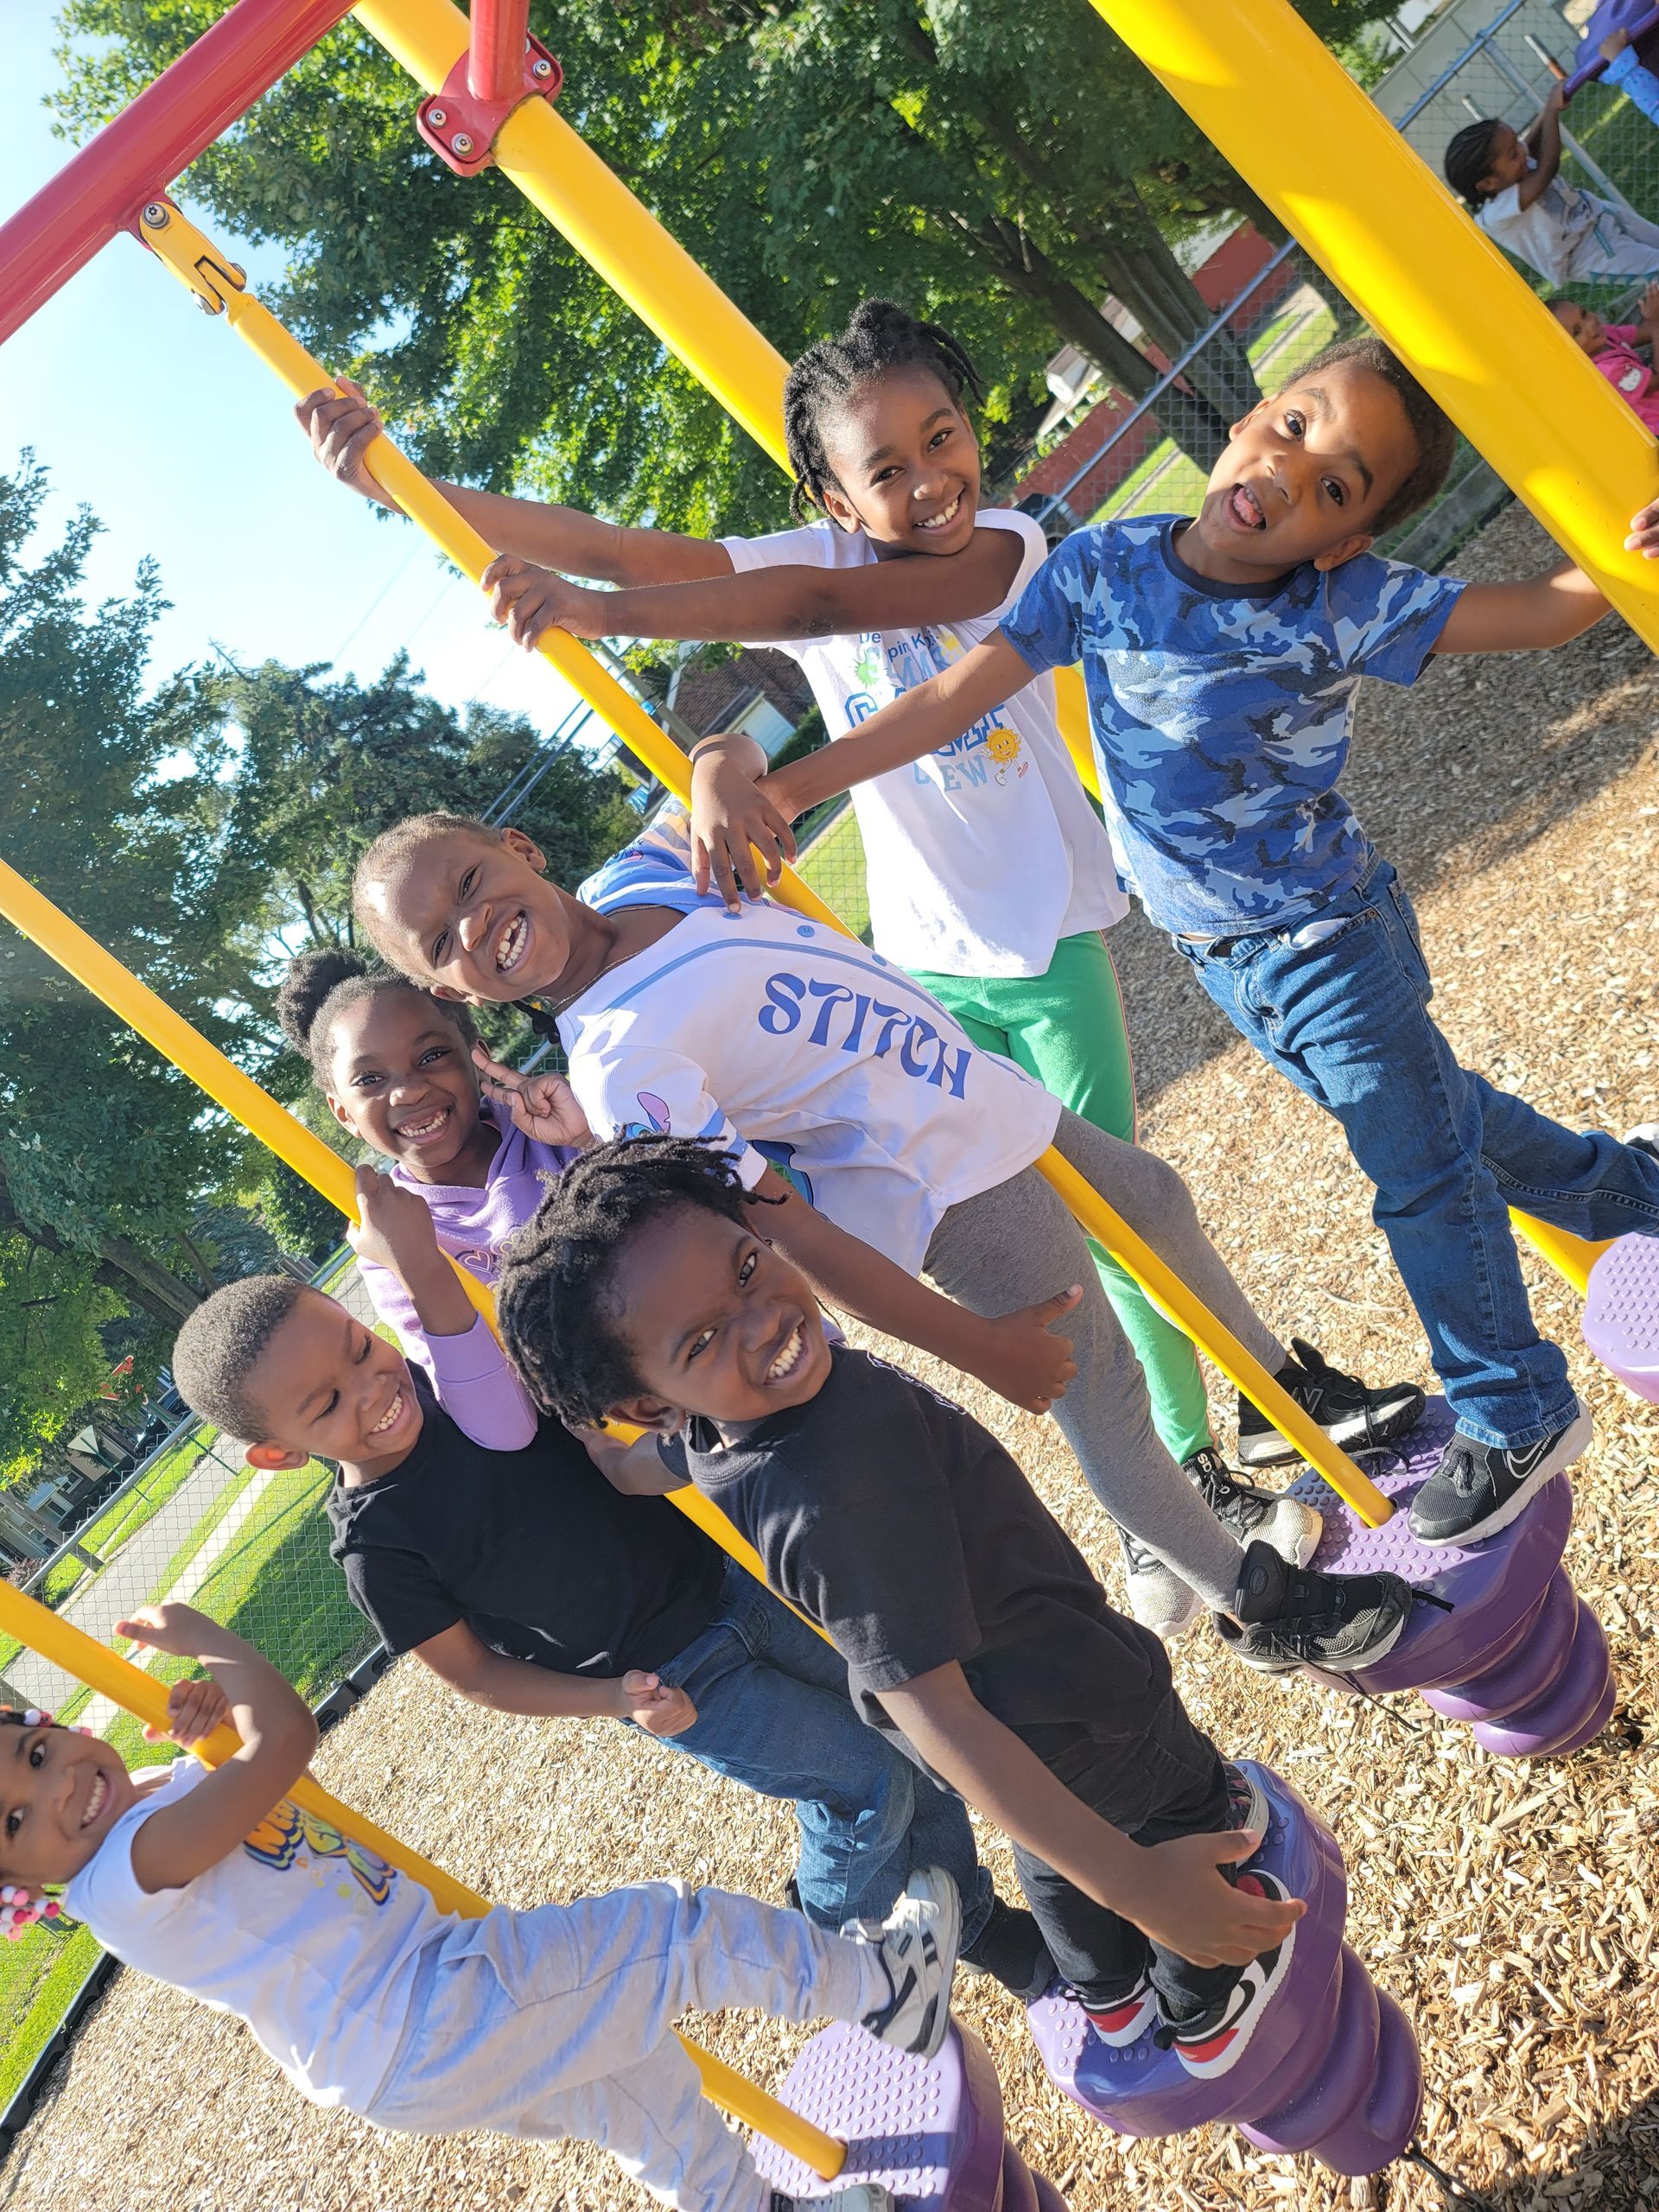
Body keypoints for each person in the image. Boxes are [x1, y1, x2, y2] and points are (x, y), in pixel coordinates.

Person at [293, 299, 1392, 1596]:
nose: (926, 482)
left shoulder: (1006, 549)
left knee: (1123, 1207)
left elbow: (815, 599)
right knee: (1058, 1258)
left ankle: (1228, 1421)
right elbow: (631, 552)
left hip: (1043, 931)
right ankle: (1195, 1484)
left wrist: (645, 668)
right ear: (830, 485)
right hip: (923, 965)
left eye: (942, 441)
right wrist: (396, 482)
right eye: (885, 470)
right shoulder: (801, 561)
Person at [772, 331, 1659, 1553]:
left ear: (1345, 536)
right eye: (1294, 428)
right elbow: (945, 701)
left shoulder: (1343, 604)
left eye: (1338, 486)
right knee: (1450, 1122)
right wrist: (785, 790)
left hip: (1333, 946)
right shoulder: (1105, 567)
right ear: (1250, 418)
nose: (1294, 475)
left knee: (1420, 1176)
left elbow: (1547, 614)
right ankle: (1634, 1190)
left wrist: (1617, 542)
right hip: (1229, 962)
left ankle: (1516, 1404)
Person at [340, 799, 1420, 1671]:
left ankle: (1280, 1398)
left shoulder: (646, 875)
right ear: (448, 986)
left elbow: (740, 772)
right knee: (1104, 1395)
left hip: (975, 1089)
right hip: (943, 1180)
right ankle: (1255, 1601)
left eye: (473, 884)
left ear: (520, 848)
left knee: (1155, 1200)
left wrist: (720, 764)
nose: (473, 925)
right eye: (442, 941)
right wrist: (974, 1346)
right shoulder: (622, 1066)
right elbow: (785, 1231)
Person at [496, 1136, 1411, 2077]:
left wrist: (595, 1441)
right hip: (1083, 1703)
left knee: (1051, 1846)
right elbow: (935, 1714)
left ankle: (1111, 1995)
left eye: (745, 1267)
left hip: (1033, 1733)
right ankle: (1210, 2002)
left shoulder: (709, 1434)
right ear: (650, 1398)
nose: (759, 1320)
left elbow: (641, 1466)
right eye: (700, 1340)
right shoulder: (835, 1480)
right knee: (1167, 1810)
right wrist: (1148, 1887)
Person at [168, 1192, 1042, 1990]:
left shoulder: (460, 1385)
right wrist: (611, 1697)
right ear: (277, 1452)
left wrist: (409, 1247)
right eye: (326, 1404)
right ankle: (828, 1927)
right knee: (862, 1780)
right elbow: (475, 1674)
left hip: (733, 1582)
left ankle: (980, 1920)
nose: (374, 1389)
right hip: (678, 1677)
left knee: (907, 1737)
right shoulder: (376, 1548)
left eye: (360, 1349)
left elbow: (448, 1309)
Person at [6, 1604, 958, 2212]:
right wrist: (215, 1642)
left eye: (36, 1754)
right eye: (15, 1820)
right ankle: (882, 1988)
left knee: (639, 2087)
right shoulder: (121, 1875)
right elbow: (286, 1736)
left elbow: (248, 1750)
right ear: (19, 1883)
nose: (56, 1791)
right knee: (675, 1930)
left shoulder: (145, 1808)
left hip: (402, 2051)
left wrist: (212, 1717)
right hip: (428, 2004)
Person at [275, 945, 591, 1382]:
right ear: (343, 1113)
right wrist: (417, 1267)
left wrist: (590, 1137)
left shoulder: (561, 1127)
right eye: (369, 1079)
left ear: (476, 1054)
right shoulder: (392, 1244)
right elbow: (502, 1428)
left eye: (431, 1057)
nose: (407, 1091)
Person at [1444, 88, 1659, 288]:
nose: (1522, 151)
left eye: (1516, 142)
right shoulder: (1494, 214)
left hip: (1601, 213)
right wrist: (1552, 112)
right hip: (1589, 256)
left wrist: (1548, 106)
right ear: (1488, 183)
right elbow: (1547, 171)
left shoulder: (1514, 167)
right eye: (1513, 154)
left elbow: (1530, 144)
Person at [1550, 285, 1659, 434]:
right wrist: (1655, 325)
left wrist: (1653, 318)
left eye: (1584, 314)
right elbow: (1656, 380)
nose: (1590, 324)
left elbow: (1647, 332)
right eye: (1577, 331)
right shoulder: (1608, 372)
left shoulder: (1604, 335)